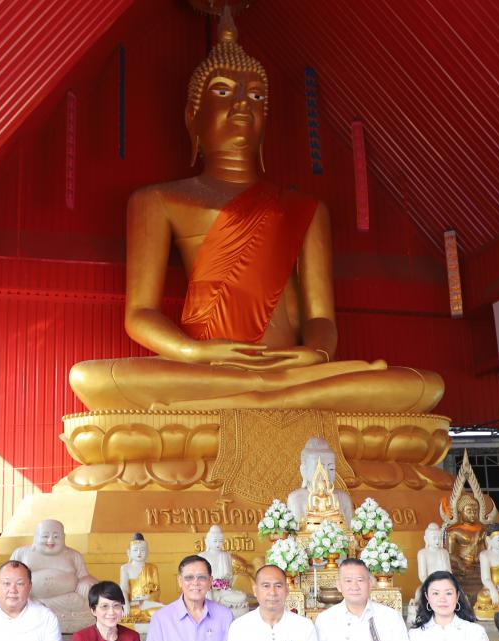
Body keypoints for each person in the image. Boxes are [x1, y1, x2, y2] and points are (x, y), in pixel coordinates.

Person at [66, 9, 442, 414]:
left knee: (422, 385)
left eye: (257, 97)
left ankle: (257, 395)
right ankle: (271, 396)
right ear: (193, 117)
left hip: (289, 368)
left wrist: (316, 353)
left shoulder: (306, 209)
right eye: (224, 92)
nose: (243, 104)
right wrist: (193, 352)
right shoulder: (157, 201)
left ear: (266, 121)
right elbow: (140, 314)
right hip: (207, 368)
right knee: (90, 377)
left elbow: (321, 319)